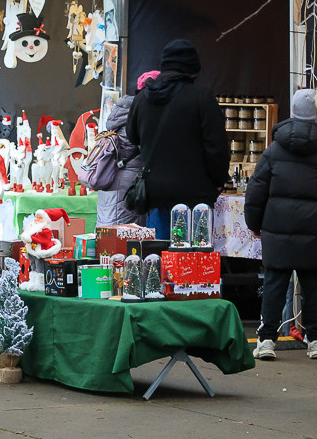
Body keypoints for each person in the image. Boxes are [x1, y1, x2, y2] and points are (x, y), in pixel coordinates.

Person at [126, 39, 229, 239]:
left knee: (162, 259)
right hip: (195, 196)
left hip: (155, 193)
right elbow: (216, 147)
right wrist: (218, 179)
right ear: (193, 68)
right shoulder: (202, 98)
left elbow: (132, 136)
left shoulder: (142, 99)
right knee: (194, 262)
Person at [245, 88, 317, 361]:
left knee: (274, 286)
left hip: (277, 231)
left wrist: (254, 224)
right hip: (313, 232)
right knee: (313, 287)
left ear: (293, 112)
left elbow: (255, 193)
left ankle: (265, 341)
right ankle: (315, 340)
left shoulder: (274, 150)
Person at [95, 92, 144, 226]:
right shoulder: (134, 126)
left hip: (109, 177)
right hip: (128, 182)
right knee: (124, 232)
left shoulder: (113, 125)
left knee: (106, 229)